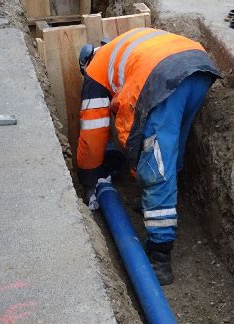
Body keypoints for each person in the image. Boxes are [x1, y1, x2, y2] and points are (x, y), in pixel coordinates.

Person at [77, 27, 220, 285]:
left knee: (155, 164)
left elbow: (93, 133)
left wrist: (88, 178)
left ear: (84, 64)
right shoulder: (123, 49)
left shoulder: (95, 73)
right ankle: (153, 202)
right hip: (198, 66)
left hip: (162, 78)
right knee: (169, 146)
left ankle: (160, 256)